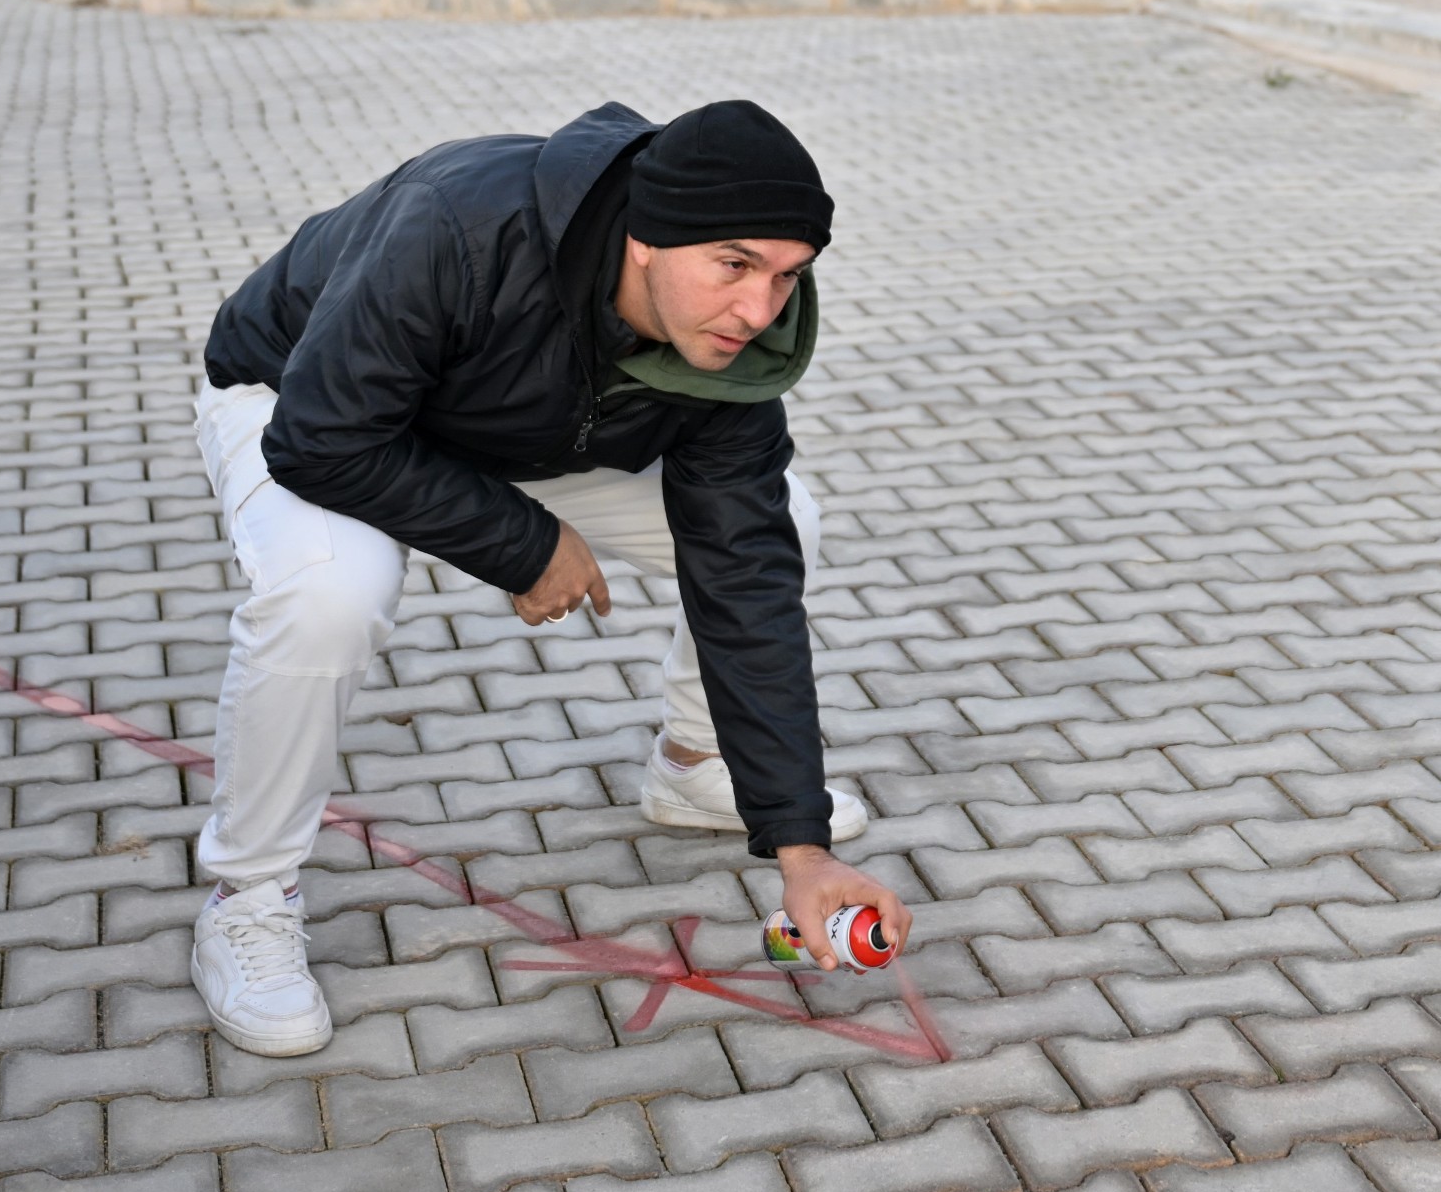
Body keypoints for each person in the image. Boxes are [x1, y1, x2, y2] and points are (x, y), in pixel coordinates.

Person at [184, 97, 905, 1056]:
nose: (759, 308)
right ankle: (248, 893)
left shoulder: (738, 345)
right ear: (645, 240)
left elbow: (744, 569)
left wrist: (802, 846)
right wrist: (525, 543)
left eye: (788, 274)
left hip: (515, 424)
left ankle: (695, 767)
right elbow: (321, 439)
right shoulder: (458, 223)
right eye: (733, 265)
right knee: (328, 591)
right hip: (305, 400)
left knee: (788, 520)